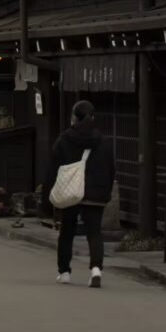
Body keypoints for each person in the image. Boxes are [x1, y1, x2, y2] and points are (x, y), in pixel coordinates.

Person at [46, 100, 114, 288]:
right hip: (95, 193)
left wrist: (49, 193)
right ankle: (96, 270)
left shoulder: (64, 139)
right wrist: (105, 192)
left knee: (67, 232)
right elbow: (111, 169)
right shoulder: (103, 141)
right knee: (94, 232)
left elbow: (53, 168)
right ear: (93, 118)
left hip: (71, 192)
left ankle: (65, 271)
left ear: (74, 118)